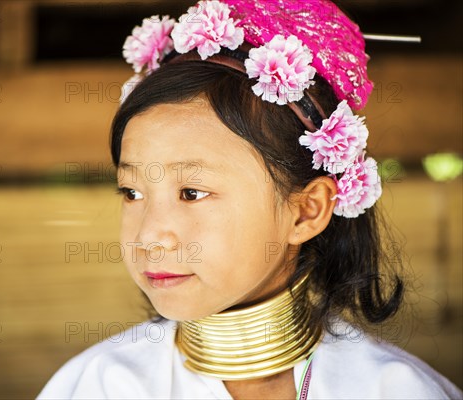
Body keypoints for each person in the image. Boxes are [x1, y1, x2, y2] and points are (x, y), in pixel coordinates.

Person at [38, 1, 462, 398]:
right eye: (132, 192)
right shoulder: (100, 386)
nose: (150, 236)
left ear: (306, 210)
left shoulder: (392, 390)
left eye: (192, 192)